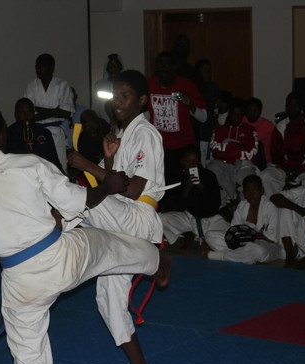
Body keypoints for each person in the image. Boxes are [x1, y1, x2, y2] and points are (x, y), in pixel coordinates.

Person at [0, 105, 172, 364]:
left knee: (30, 361)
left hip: (18, 281)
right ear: (1, 135)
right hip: (61, 257)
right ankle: (157, 262)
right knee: (110, 246)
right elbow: (78, 202)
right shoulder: (29, 165)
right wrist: (106, 187)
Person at [68, 69, 166, 243]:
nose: (117, 102)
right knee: (71, 194)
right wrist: (109, 158)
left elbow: (133, 190)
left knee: (72, 197)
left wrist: (87, 165)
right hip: (121, 211)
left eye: (124, 96)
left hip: (137, 217)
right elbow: (111, 182)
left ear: (142, 100)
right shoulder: (121, 134)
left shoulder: (145, 133)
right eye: (114, 96)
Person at [147, 52, 206, 210]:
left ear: (173, 67)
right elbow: (144, 113)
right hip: (160, 145)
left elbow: (204, 117)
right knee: (164, 185)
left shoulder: (186, 85)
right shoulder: (150, 85)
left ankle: (195, 212)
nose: (163, 68)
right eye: (160, 64)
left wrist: (189, 103)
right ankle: (167, 214)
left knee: (192, 181)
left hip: (184, 144)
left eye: (167, 64)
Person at [159, 146, 228, 249]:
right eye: (188, 161)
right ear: (182, 161)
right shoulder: (177, 177)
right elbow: (174, 207)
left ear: (199, 162)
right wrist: (187, 189)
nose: (191, 165)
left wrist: (201, 187)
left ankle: (200, 235)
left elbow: (215, 204)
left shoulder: (208, 175)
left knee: (229, 236)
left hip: (210, 219)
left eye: (194, 161)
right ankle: (187, 233)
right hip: (188, 219)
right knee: (160, 219)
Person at [260, 92, 305, 196]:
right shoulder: (280, 127)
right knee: (266, 176)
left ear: (301, 106)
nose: (292, 108)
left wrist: (300, 171)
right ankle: (275, 202)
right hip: (285, 169)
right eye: (289, 105)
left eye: (295, 106)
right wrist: (286, 169)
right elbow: (275, 154)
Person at [206, 175, 283, 264]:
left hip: (266, 245)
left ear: (262, 190)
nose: (251, 194)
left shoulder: (270, 208)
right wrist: (243, 236)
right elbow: (233, 230)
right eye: (247, 191)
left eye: (254, 190)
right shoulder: (242, 206)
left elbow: (272, 239)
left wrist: (251, 234)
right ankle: (241, 256)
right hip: (242, 242)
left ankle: (222, 256)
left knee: (257, 250)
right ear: (244, 193)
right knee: (210, 236)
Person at [24, 53, 74, 173]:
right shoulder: (32, 86)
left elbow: (67, 113)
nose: (38, 70)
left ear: (51, 68)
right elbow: (28, 116)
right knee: (39, 168)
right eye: (37, 67)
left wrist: (40, 110)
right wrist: (55, 111)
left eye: (41, 66)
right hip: (37, 132)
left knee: (59, 168)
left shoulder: (62, 85)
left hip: (56, 132)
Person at [208, 98, 259, 203]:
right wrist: (235, 145)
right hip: (223, 163)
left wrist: (226, 146)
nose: (236, 116)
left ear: (243, 115)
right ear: (229, 114)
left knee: (250, 182)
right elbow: (213, 147)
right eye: (233, 113)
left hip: (244, 165)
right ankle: (233, 195)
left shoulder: (250, 130)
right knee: (212, 169)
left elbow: (251, 154)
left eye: (239, 114)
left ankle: (244, 206)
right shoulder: (219, 129)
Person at [6, 97, 63, 172]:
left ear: (33, 113)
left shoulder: (44, 132)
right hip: (19, 173)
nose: (26, 115)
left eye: (29, 112)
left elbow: (54, 161)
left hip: (43, 172)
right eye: (22, 112)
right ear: (16, 114)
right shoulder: (8, 134)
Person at [195, 59, 221, 167]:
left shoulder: (214, 87)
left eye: (209, 70)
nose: (207, 73)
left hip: (211, 126)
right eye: (204, 70)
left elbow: (217, 106)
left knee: (210, 161)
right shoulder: (194, 87)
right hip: (198, 128)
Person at [92, 53, 123, 123]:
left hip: (122, 124)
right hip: (104, 123)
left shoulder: (126, 85)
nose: (114, 68)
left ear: (120, 67)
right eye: (111, 65)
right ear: (107, 68)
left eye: (116, 65)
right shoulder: (99, 86)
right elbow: (95, 108)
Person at [243, 97, 274, 165]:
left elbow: (275, 147)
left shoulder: (268, 126)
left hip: (264, 162)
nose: (252, 113)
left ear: (260, 112)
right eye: (249, 110)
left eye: (255, 111)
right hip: (243, 161)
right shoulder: (240, 122)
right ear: (245, 110)